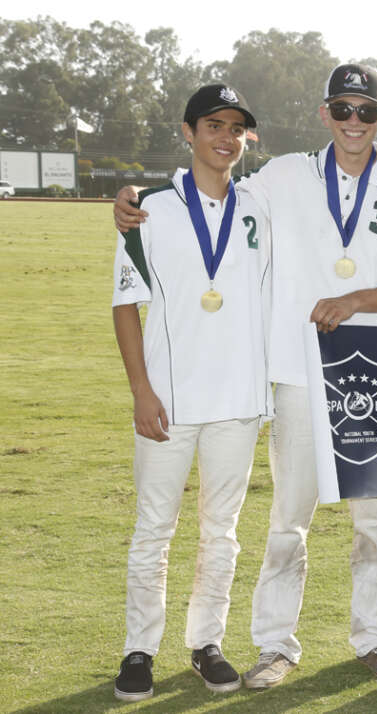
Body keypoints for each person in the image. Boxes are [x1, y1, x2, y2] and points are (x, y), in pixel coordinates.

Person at [114, 64, 377, 685]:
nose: (353, 122)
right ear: (324, 114)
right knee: (289, 519)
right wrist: (134, 200)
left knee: (372, 520)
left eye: (365, 112)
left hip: (374, 376)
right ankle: (275, 645)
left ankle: (373, 639)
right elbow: (210, 189)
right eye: (342, 110)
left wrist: (355, 302)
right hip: (296, 371)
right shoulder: (282, 175)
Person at [111, 84, 271, 701]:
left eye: (236, 128)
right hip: (168, 404)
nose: (226, 137)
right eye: (214, 125)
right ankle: (139, 649)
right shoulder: (148, 207)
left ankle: (207, 643)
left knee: (221, 531)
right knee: (154, 528)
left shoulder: (260, 204)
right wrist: (141, 391)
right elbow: (127, 305)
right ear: (188, 131)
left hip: (238, 400)